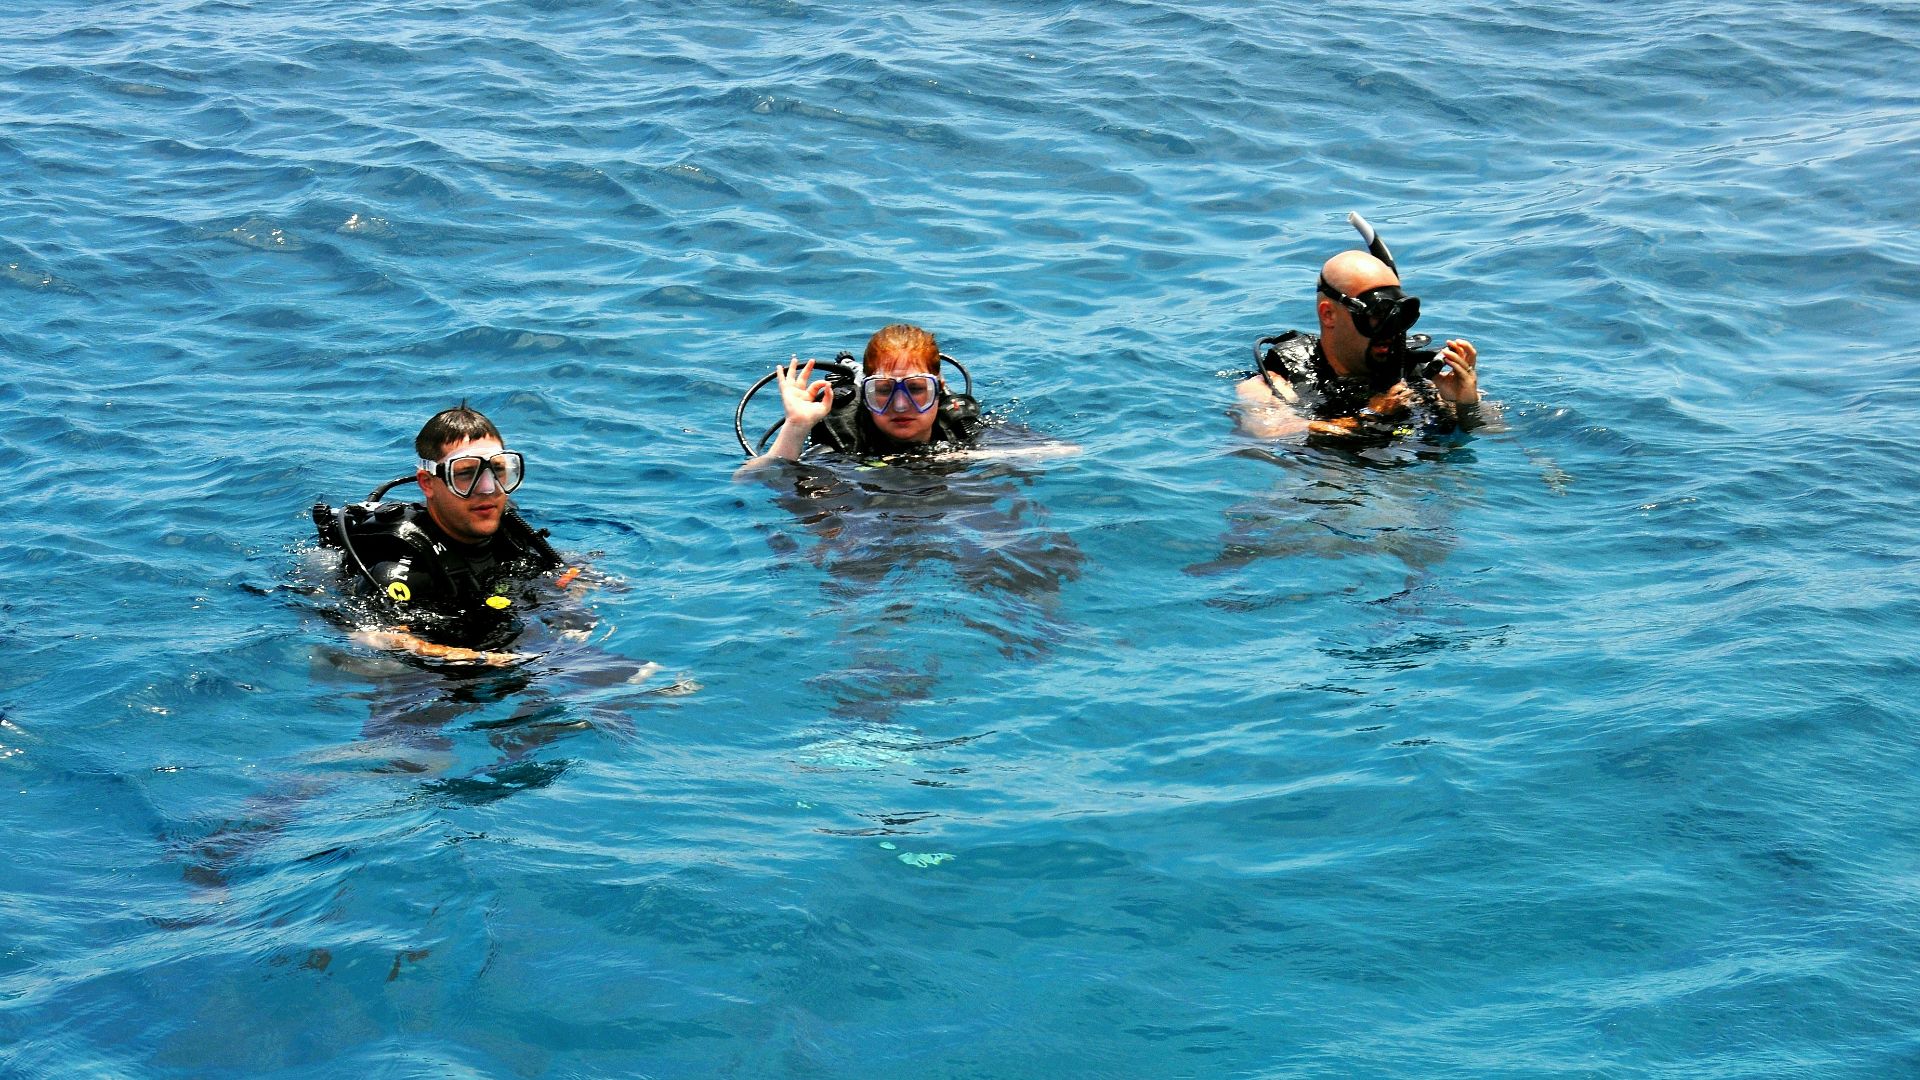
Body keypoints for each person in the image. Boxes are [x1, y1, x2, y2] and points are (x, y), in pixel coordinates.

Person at [313, 403, 574, 664]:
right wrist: (474, 659)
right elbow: (371, 637)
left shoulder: (509, 527)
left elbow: (564, 572)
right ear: (428, 483)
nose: (488, 489)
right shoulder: (399, 569)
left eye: (498, 470)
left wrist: (573, 604)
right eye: (465, 473)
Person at [1236, 249, 1480, 440]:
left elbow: (1496, 432)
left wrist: (1463, 402)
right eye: (1376, 315)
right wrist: (1370, 415)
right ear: (1328, 314)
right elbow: (1267, 433)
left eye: (1396, 317)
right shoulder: (1279, 379)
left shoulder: (1413, 371)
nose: (1390, 332)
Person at [738, 323, 985, 472]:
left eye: (917, 389)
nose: (900, 406)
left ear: (939, 389)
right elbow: (749, 478)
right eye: (883, 390)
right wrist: (796, 427)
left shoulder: (961, 426)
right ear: (865, 394)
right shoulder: (845, 441)